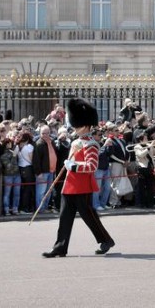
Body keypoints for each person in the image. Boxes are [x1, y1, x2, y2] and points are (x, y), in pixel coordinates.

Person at [42, 98, 115, 258]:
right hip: (70, 185)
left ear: (87, 125)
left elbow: (92, 166)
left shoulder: (91, 144)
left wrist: (73, 166)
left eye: (78, 125)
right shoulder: (76, 142)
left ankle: (106, 240)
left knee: (90, 217)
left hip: (83, 187)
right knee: (64, 219)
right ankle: (60, 247)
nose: (76, 128)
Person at [32, 125, 57, 213]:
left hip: (51, 171)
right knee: (41, 192)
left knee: (48, 192)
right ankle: (40, 209)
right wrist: (39, 173)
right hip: (43, 172)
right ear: (40, 133)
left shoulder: (52, 142)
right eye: (43, 133)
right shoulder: (39, 144)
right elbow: (36, 160)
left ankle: (45, 207)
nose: (45, 135)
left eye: (47, 133)